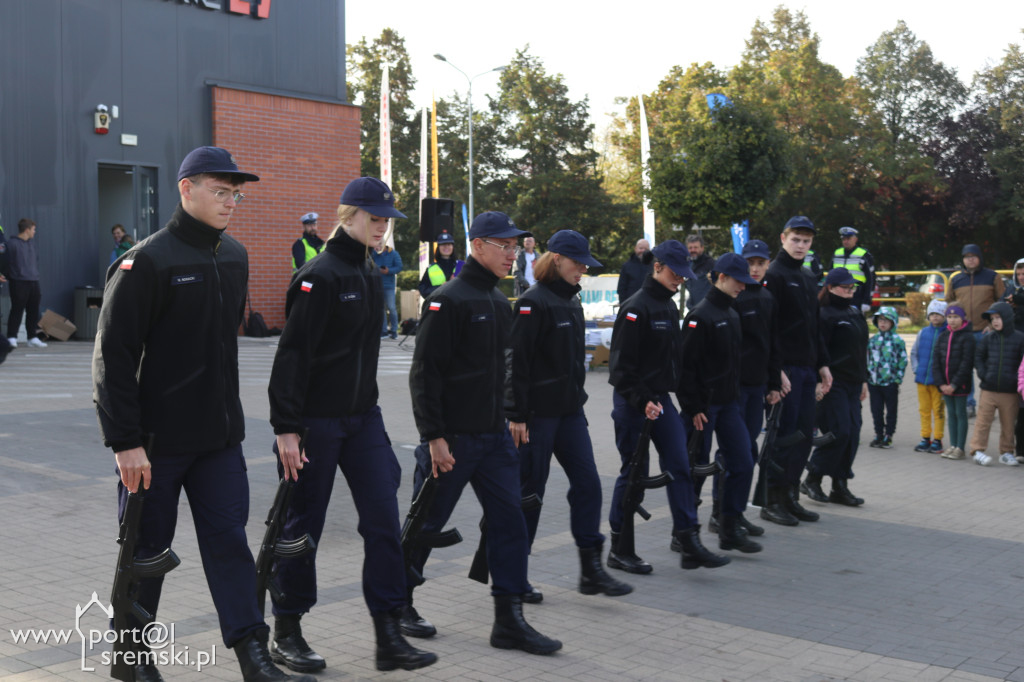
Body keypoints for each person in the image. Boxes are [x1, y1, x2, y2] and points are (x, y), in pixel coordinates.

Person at [93, 146, 315, 682]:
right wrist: (125, 440)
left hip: (219, 441)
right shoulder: (145, 261)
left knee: (231, 548)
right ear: (186, 189)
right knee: (146, 554)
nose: (231, 202)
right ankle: (132, 658)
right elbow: (113, 356)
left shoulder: (234, 256)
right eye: (221, 191)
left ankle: (252, 653)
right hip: (154, 445)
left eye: (236, 193)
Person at [267, 177, 436, 673]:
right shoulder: (318, 275)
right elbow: (292, 356)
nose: (381, 227)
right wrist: (286, 429)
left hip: (363, 419)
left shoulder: (367, 269)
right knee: (303, 527)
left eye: (386, 220)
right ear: (348, 216)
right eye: (373, 218)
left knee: (384, 523)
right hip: (316, 423)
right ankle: (288, 630)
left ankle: (388, 634)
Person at [407, 211, 562, 656]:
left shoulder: (498, 301)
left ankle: (508, 620)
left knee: (510, 524)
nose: (513, 254)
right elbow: (425, 375)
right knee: (426, 525)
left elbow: (505, 373)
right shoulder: (447, 299)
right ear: (477, 245)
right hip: (452, 440)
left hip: (494, 439)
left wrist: (512, 418)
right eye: (504, 246)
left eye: (516, 247)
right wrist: (433, 436)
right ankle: (398, 602)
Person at [506, 229, 633, 599]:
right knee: (530, 494)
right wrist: (516, 414)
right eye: (577, 263)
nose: (582, 270)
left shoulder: (571, 301)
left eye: (585, 264)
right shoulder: (533, 302)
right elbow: (516, 362)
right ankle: (514, 577)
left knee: (589, 484)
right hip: (534, 416)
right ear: (556, 259)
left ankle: (591, 570)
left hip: (569, 413)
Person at [606, 239, 729, 574]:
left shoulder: (668, 306)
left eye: (684, 274)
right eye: (676, 273)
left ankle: (689, 542)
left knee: (680, 466)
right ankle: (620, 547)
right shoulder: (635, 307)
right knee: (634, 475)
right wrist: (642, 399)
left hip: (662, 402)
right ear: (657, 266)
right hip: (635, 404)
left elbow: (677, 365)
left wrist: (692, 404)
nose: (681, 279)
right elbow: (621, 369)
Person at [678, 252, 763, 554]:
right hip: (702, 408)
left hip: (728, 405)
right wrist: (694, 407)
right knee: (695, 470)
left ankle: (729, 527)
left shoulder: (731, 312)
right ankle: (684, 532)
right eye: (739, 281)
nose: (743, 286)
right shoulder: (700, 316)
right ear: (722, 277)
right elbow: (685, 368)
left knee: (742, 461)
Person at [761, 216, 831, 526]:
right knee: (782, 437)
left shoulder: (807, 277)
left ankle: (790, 496)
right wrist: (775, 372)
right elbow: (769, 329)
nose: (801, 245)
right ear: (783, 238)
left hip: (806, 369)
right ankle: (770, 500)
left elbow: (815, 327)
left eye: (806, 241)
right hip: (785, 370)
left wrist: (823, 365)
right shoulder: (774, 275)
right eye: (796, 240)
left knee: (802, 436)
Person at [801, 268, 869, 507]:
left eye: (852, 288)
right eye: (845, 287)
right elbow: (818, 350)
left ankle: (840, 486)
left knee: (852, 434)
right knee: (838, 431)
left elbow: (861, 350)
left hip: (853, 382)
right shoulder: (824, 315)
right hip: (832, 383)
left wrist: (863, 380)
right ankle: (812, 478)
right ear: (830, 287)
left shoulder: (853, 312)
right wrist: (819, 381)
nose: (849, 291)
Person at [731, 239, 784, 536]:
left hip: (758, 386)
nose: (755, 269)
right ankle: (722, 511)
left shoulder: (768, 298)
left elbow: (773, 344)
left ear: (767, 265)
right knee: (733, 451)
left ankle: (737, 511)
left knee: (748, 451)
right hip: (735, 388)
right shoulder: (735, 298)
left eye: (760, 263)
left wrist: (774, 382)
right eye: (750, 263)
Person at [947, 243, 1005, 416]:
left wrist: (991, 324)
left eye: (973, 256)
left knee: (988, 369)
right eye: (966, 256)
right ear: (963, 259)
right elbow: (950, 302)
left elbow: (1001, 302)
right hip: (963, 333)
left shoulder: (993, 277)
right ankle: (969, 404)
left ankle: (990, 404)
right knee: (964, 370)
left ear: (979, 258)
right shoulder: (956, 279)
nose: (970, 259)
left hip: (986, 332)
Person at [966, 302, 1024, 466]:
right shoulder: (988, 338)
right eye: (992, 319)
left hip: (1010, 392)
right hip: (988, 389)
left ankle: (1006, 452)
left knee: (1008, 424)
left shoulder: (1020, 339)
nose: (995, 321)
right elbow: (979, 357)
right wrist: (984, 374)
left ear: (1007, 317)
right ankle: (977, 450)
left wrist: (1016, 381)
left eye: (998, 317)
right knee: (983, 422)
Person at [932, 305, 975, 460]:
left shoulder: (967, 337)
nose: (952, 320)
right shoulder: (943, 335)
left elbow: (966, 363)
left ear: (962, 318)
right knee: (951, 414)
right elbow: (936, 360)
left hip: (960, 384)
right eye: (949, 317)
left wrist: (954, 384)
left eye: (956, 317)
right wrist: (941, 384)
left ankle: (960, 448)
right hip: (945, 384)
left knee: (960, 413)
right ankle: (952, 445)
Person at [866, 306, 908, 449]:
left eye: (886, 320)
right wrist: (867, 375)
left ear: (893, 322)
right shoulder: (873, 340)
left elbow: (903, 360)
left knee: (891, 410)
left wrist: (898, 378)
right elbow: (867, 359)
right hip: (874, 382)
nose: (882, 323)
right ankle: (878, 433)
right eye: (880, 320)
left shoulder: (898, 341)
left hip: (890, 383)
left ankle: (888, 435)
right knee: (876, 409)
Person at [910, 299, 948, 453]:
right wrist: (916, 369)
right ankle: (925, 437)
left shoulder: (947, 334)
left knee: (938, 411)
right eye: (932, 314)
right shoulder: (923, 332)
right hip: (922, 380)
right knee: (924, 410)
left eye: (938, 314)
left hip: (938, 382)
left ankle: (937, 439)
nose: (935, 317)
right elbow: (914, 353)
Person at [6, 218, 46, 349]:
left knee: (33, 310)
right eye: (33, 229)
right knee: (17, 310)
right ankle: (12, 337)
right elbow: (6, 262)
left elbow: (36, 260)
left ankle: (32, 337)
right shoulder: (11, 244)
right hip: (18, 282)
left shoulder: (32, 244)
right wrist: (10, 276)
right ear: (27, 230)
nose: (35, 232)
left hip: (34, 281)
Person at [832, 227, 875, 313]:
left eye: (848, 238)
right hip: (838, 295)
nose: (846, 241)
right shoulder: (837, 253)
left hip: (857, 296)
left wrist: (867, 300)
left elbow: (871, 279)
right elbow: (831, 275)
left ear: (855, 239)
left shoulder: (863, 255)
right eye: (844, 239)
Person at [417, 230, 463, 298]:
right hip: (438, 304)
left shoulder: (461, 265)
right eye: (443, 244)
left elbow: (471, 286)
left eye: (449, 244)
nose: (446, 247)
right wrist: (440, 288)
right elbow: (423, 290)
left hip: (459, 305)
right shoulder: (431, 268)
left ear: (453, 247)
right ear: (438, 247)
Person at [371, 243, 403, 339]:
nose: (378, 247)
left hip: (389, 285)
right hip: (376, 285)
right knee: (381, 309)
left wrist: (388, 271)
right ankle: (383, 331)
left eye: (380, 245)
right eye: (376, 245)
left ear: (385, 244)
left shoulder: (394, 254)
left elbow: (399, 267)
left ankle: (394, 331)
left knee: (391, 308)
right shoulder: (373, 254)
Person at [617, 238, 652, 304]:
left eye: (646, 249)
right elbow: (621, 288)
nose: (643, 251)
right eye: (641, 248)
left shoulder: (654, 266)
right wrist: (623, 305)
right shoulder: (626, 266)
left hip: (650, 305)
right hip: (631, 305)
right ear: (635, 248)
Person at [683, 234, 713, 311]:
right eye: (690, 248)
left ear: (702, 248)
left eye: (695, 247)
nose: (693, 250)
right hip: (694, 310)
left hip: (708, 310)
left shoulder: (711, 264)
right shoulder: (688, 265)